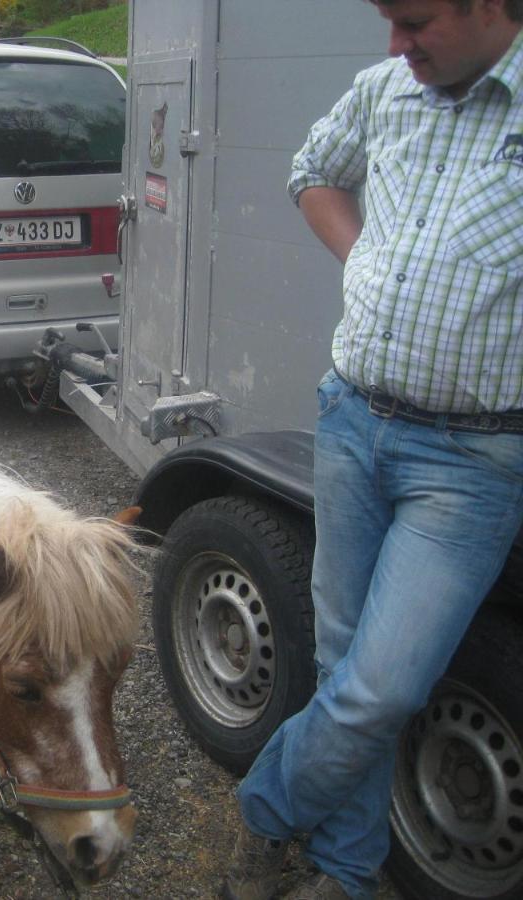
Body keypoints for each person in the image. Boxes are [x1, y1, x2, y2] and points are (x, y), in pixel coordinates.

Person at [222, 1, 523, 898]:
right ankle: (347, 876)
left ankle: (264, 812)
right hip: (352, 418)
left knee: (380, 689)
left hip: (471, 462)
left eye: (417, 19)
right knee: (341, 667)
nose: (396, 45)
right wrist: (361, 257)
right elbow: (313, 170)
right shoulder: (386, 91)